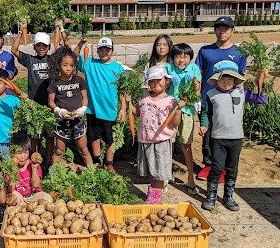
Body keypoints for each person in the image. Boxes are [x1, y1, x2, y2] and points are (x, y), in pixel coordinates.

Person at [199, 61, 268, 211]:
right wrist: (204, 125)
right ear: (217, 79)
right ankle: (211, 196)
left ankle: (228, 196)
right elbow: (206, 113)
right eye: (223, 78)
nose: (226, 82)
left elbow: (261, 100)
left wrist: (261, 81)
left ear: (235, 80)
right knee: (216, 167)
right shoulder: (211, 94)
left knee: (232, 168)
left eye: (230, 79)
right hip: (217, 138)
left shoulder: (242, 93)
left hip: (236, 138)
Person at [195, 16, 246, 180]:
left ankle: (223, 168)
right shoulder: (205, 51)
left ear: (233, 30)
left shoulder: (239, 53)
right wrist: (196, 96)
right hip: (209, 98)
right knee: (207, 131)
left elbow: (241, 78)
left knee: (225, 131)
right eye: (219, 28)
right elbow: (197, 75)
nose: (222, 31)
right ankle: (209, 165)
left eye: (226, 28)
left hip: (229, 100)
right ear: (215, 30)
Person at [126, 65, 185, 204]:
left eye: (159, 80)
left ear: (167, 81)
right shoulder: (143, 97)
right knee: (152, 171)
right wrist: (128, 103)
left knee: (159, 172)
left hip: (161, 141)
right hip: (145, 139)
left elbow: (174, 123)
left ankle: (155, 199)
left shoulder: (170, 100)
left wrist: (178, 110)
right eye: (152, 81)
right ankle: (152, 193)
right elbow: (138, 113)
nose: (155, 83)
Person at [74, 36, 126, 170]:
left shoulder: (118, 69)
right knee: (94, 137)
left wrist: (123, 108)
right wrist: (81, 43)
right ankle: (97, 160)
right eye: (101, 50)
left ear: (112, 51)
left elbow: (123, 90)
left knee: (110, 140)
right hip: (93, 110)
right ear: (97, 51)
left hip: (111, 111)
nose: (104, 52)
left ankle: (109, 163)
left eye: (107, 49)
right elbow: (73, 57)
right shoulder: (90, 63)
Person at [11, 29, 55, 160]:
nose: (41, 48)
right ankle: (36, 161)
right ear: (34, 46)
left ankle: (48, 162)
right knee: (35, 136)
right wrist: (20, 31)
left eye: (44, 45)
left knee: (50, 136)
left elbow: (67, 51)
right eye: (39, 45)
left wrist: (60, 30)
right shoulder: (30, 60)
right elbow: (14, 50)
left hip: (50, 104)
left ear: (49, 47)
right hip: (33, 104)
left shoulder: (53, 60)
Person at [166, 43, 202, 195]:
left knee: (185, 144)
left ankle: (190, 178)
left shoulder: (194, 69)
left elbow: (197, 89)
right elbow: (164, 87)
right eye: (178, 56)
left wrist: (184, 102)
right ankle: (166, 176)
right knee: (168, 143)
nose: (182, 60)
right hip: (169, 111)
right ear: (173, 58)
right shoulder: (168, 68)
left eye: (185, 56)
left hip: (186, 111)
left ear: (190, 58)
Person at [47, 47, 93, 165]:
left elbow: (85, 98)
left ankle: (92, 174)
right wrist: (59, 111)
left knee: (84, 150)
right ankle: (54, 177)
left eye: (71, 65)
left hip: (78, 120)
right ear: (58, 65)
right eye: (65, 65)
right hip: (62, 121)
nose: (68, 68)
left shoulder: (79, 80)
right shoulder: (54, 83)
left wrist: (83, 109)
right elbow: (51, 101)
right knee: (59, 151)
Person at [0, 133, 51, 206]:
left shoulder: (33, 164)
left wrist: (34, 168)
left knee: (46, 197)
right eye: (19, 153)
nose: (23, 156)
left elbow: (35, 185)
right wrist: (12, 170)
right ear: (12, 153)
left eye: (26, 152)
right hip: (19, 198)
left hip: (33, 196)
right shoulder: (9, 167)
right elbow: (11, 190)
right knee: (13, 196)